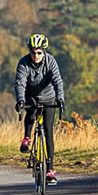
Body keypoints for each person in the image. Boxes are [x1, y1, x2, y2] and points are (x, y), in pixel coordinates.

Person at [13, 33, 65, 185]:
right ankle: (27, 137)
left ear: (44, 52)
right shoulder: (24, 63)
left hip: (48, 96)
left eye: (39, 53)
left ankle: (50, 170)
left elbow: (57, 81)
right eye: (33, 52)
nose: (35, 55)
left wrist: (60, 99)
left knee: (48, 131)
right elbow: (20, 83)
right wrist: (21, 100)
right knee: (31, 110)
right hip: (31, 96)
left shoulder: (50, 61)